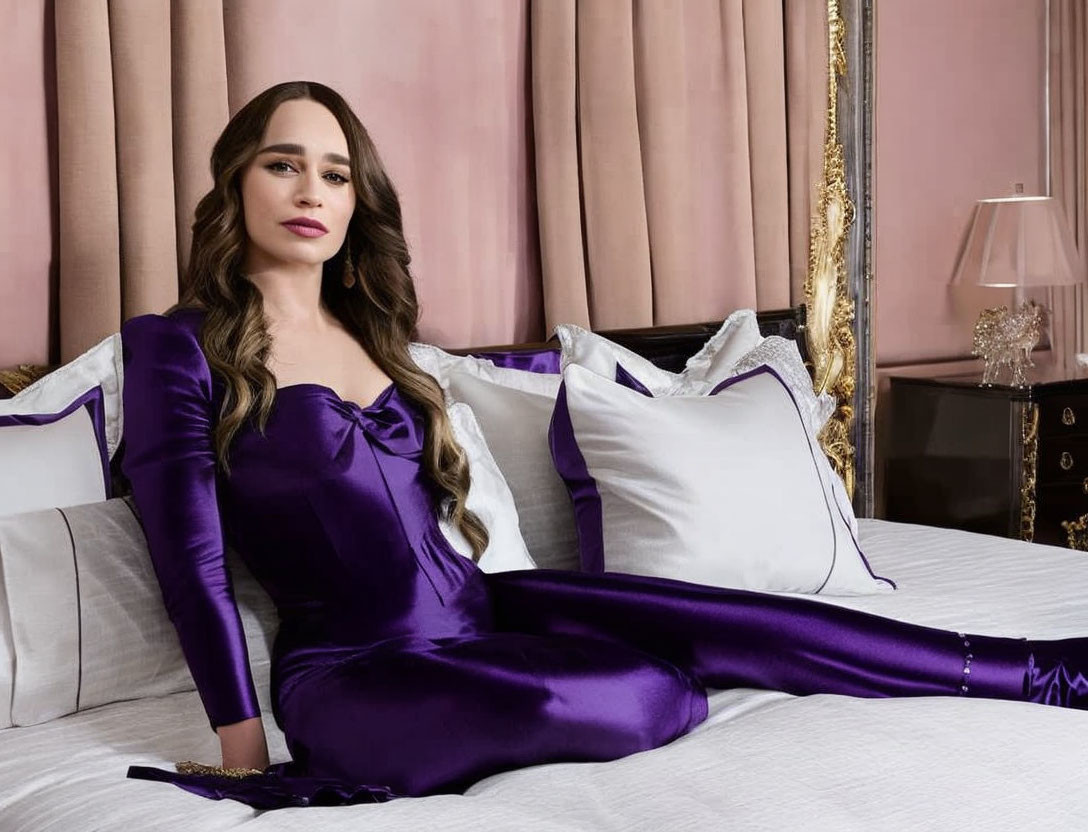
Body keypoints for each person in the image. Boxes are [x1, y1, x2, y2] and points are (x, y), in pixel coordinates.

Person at [121, 81, 1087, 810]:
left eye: (336, 174)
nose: (313, 193)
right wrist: (243, 748)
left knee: (752, 622)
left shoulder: (377, 334)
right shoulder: (177, 345)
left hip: (483, 605)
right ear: (235, 179)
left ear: (356, 201)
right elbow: (190, 559)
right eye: (283, 164)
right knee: (633, 695)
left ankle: (1042, 669)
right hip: (354, 672)